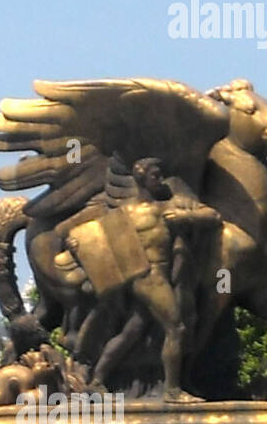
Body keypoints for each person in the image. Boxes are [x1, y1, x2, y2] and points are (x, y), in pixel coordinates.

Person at [81, 157, 220, 402]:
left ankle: (97, 380)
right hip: (148, 276)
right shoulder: (123, 215)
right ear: (141, 178)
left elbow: (213, 216)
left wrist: (185, 218)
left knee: (132, 331)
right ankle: (173, 391)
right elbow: (93, 241)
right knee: (176, 328)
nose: (161, 181)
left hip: (159, 275)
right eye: (155, 176)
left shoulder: (168, 206)